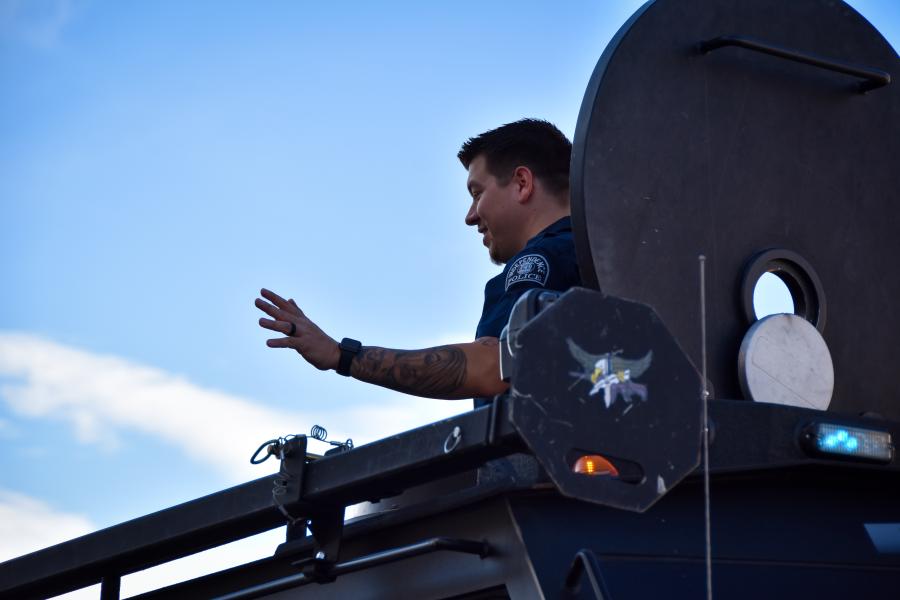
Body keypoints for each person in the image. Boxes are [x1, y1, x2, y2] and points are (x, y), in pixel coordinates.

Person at [255, 119, 582, 405]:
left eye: (477, 193)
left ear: (522, 184)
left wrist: (341, 355)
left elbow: (492, 367)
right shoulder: (599, 258)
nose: (470, 216)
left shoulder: (542, 258)